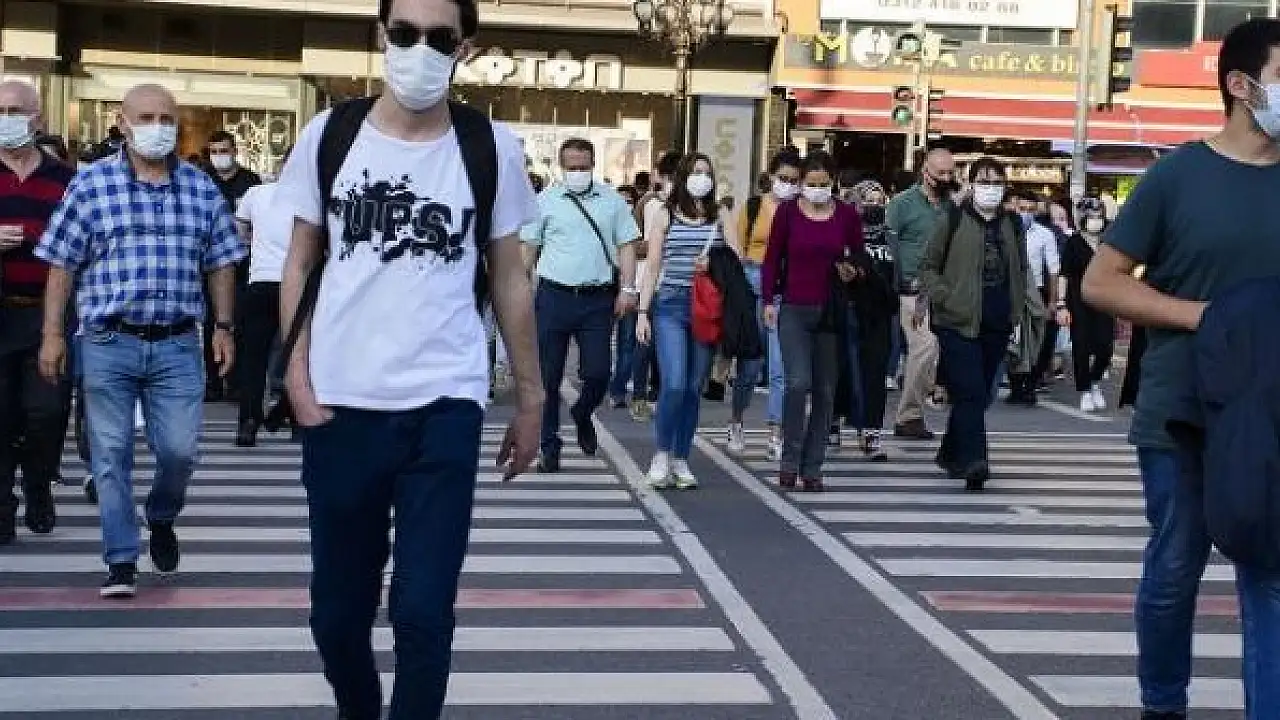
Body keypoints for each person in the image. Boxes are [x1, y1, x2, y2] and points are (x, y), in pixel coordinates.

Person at [273, 0, 542, 716]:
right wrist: (297, 375)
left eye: (439, 37)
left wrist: (533, 398)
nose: (420, 49)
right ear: (380, 37)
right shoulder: (330, 135)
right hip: (341, 404)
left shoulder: (489, 147)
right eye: (404, 33)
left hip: (444, 404)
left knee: (423, 612)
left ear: (465, 49)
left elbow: (509, 276)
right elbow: (299, 260)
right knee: (337, 617)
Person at [1083, 19, 1280, 719]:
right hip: (1183, 410)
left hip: (1269, 414)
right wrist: (1206, 316)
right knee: (1175, 566)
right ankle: (1162, 704)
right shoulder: (1176, 176)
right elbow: (1101, 283)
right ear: (1242, 85)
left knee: (1270, 575)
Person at [35, 83, 244, 596]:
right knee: (109, 454)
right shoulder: (91, 185)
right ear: (123, 125)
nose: (158, 127)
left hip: (177, 343)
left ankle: (162, 515)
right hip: (108, 341)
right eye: (146, 117)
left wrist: (223, 326)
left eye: (167, 118)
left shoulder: (199, 188)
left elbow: (221, 261)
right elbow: (62, 264)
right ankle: (121, 558)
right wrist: (52, 333)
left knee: (180, 452)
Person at [520, 137, 638, 473]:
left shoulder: (612, 201)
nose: (577, 172)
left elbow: (627, 245)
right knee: (548, 378)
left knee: (599, 372)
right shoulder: (544, 201)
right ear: (561, 167)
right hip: (553, 297)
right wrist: (518, 291)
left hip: (597, 299)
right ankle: (549, 447)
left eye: (583, 167)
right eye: (571, 167)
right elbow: (528, 249)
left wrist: (628, 289)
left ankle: (583, 412)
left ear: (593, 165)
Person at [918, 157, 1027, 492]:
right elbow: (928, 265)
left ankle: (951, 452)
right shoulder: (953, 218)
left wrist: (1018, 310)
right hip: (957, 321)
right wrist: (944, 296)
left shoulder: (1012, 224)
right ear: (970, 184)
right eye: (984, 181)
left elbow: (1021, 268)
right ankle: (974, 461)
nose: (990, 188)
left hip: (997, 319)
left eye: (997, 182)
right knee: (970, 391)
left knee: (980, 394)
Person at [762, 150, 865, 491]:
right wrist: (768, 300)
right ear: (802, 182)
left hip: (831, 310)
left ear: (833, 182)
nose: (817, 189)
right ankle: (789, 460)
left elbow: (860, 255)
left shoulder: (846, 215)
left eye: (823, 184)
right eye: (811, 183)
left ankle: (813, 466)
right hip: (794, 307)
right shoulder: (788, 212)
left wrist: (853, 270)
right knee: (797, 383)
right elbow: (772, 257)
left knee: (825, 390)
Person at [0, 81, 75, 544]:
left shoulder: (66, 178)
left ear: (38, 119)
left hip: (49, 315)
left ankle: (39, 482)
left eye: (16, 110)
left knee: (47, 411)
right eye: (1, 110)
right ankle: (2, 507)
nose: (7, 118)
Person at [636, 153, 733, 489]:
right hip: (671, 305)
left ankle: (681, 457)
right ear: (682, 176)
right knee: (674, 383)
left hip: (707, 309)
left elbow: (734, 262)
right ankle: (662, 454)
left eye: (706, 172)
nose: (701, 178)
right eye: (695, 172)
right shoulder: (666, 213)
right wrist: (643, 312)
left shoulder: (720, 215)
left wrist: (714, 263)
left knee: (693, 388)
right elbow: (652, 266)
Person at [726, 147, 800, 457]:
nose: (788, 185)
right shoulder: (754, 206)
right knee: (750, 366)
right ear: (770, 177)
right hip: (752, 284)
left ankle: (775, 433)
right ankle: (736, 421)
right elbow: (737, 249)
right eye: (783, 178)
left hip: (784, 289)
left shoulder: (800, 210)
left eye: (794, 180)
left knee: (780, 368)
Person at [886, 148, 954, 440]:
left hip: (943, 289)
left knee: (934, 348)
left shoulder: (952, 207)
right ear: (925, 172)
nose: (946, 178)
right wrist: (896, 281)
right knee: (924, 344)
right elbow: (888, 243)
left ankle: (918, 397)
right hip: (911, 290)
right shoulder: (902, 204)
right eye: (941, 173)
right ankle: (909, 415)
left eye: (950, 173)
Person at [233, 145, 296, 446]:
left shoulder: (255, 194)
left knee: (253, 357)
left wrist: (256, 245)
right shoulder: (313, 197)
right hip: (297, 285)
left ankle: (249, 420)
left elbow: (240, 230)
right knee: (298, 354)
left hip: (261, 281)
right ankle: (292, 414)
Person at [838, 179, 899, 461]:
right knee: (845, 370)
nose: (873, 206)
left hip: (880, 313)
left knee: (875, 373)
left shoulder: (891, 237)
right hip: (849, 309)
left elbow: (898, 273)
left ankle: (871, 432)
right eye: (867, 200)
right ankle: (834, 418)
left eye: (878, 200)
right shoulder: (846, 233)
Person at [1059, 196, 1115, 413]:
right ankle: (1084, 390)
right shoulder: (1073, 243)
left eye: (1099, 217)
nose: (1096, 221)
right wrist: (1061, 304)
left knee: (1105, 347)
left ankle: (1095, 380)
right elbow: (1064, 274)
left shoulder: (1108, 242)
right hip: (1078, 300)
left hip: (1105, 299)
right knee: (1081, 346)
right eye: (1091, 217)